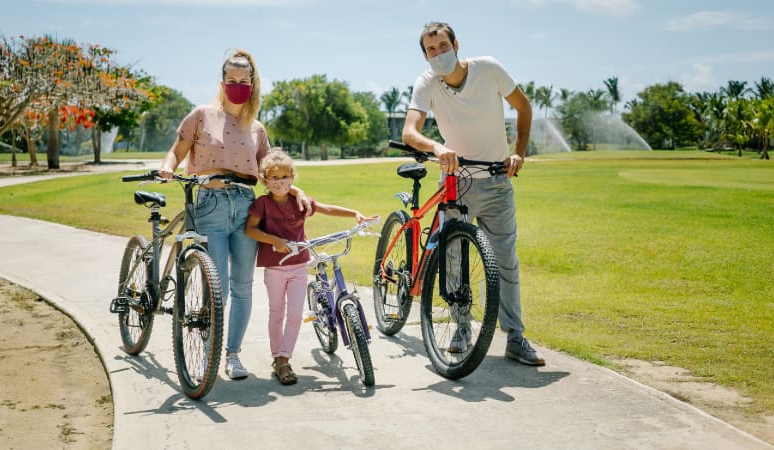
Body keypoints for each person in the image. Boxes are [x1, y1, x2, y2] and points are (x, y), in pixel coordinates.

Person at [158, 49, 311, 380]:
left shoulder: (256, 128)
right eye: (231, 80)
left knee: (242, 286)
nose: (237, 86)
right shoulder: (201, 115)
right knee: (219, 286)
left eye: (244, 81)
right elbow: (177, 150)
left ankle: (233, 355)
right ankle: (210, 349)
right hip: (211, 203)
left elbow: (274, 170)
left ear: (252, 83)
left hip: (245, 206)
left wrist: (296, 190)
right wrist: (167, 168)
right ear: (222, 81)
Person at [401, 22, 544, 366]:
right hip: (455, 182)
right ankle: (462, 327)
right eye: (431, 50)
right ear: (425, 55)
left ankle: (515, 337)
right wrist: (437, 146)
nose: (438, 54)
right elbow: (409, 131)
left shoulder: (489, 69)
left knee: (505, 261)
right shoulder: (427, 82)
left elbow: (523, 107)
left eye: (443, 46)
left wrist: (519, 153)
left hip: (496, 181)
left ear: (456, 44)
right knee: (454, 261)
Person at [244, 149, 376, 385]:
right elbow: (250, 230)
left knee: (295, 314)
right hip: (274, 268)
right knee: (277, 312)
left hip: (298, 267)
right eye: (274, 178)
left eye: (284, 177)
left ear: (292, 177)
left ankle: (284, 359)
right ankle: (278, 356)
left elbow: (327, 208)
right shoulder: (262, 204)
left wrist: (354, 213)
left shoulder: (299, 202)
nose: (280, 182)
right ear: (265, 180)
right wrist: (274, 240)